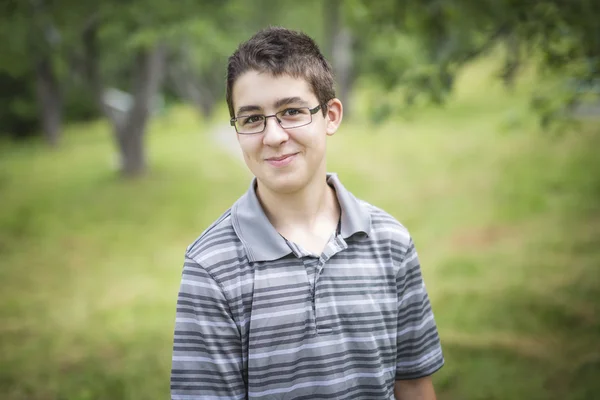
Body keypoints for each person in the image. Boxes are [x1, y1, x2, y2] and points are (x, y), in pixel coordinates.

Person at [170, 27, 444, 400]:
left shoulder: (390, 242)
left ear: (330, 116)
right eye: (252, 119)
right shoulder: (210, 266)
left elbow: (412, 383)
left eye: (292, 112)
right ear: (237, 130)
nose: (274, 136)